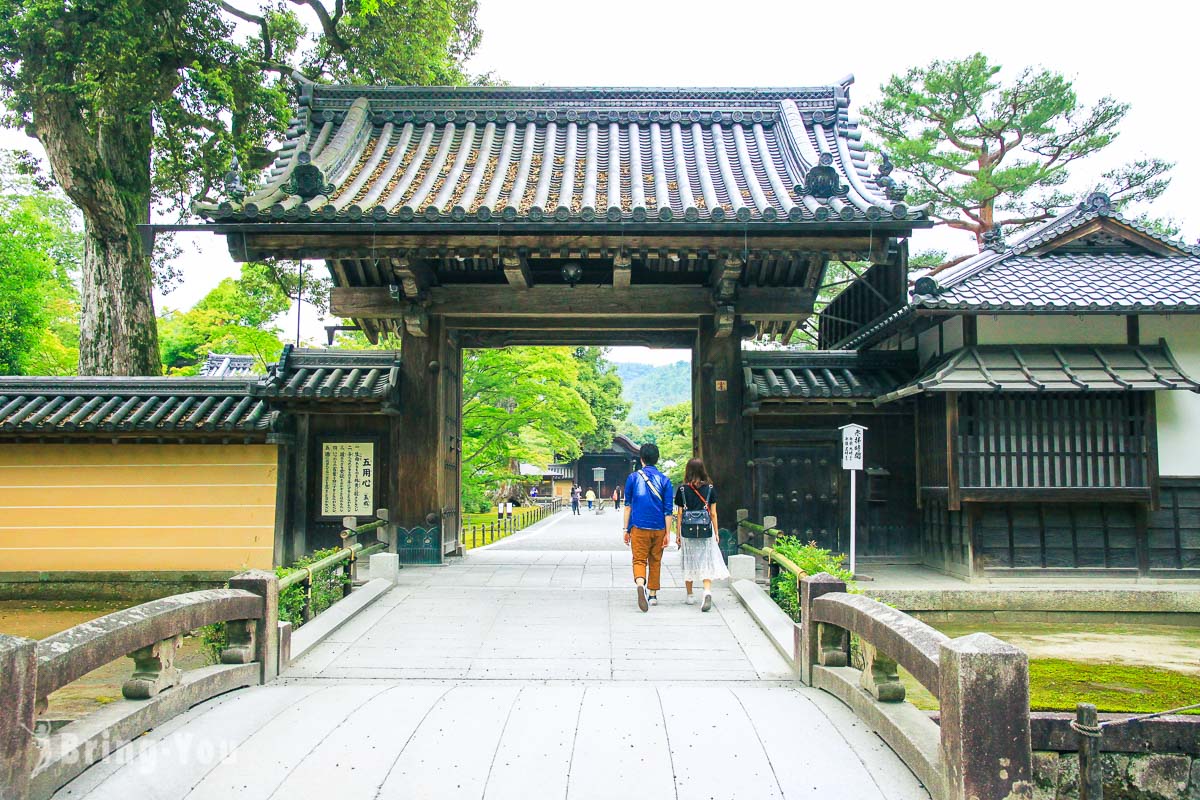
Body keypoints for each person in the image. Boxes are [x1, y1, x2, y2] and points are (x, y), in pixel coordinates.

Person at [622, 443, 673, 612]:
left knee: (639, 559)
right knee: (655, 560)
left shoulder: (633, 478)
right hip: (658, 527)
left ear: (641, 459)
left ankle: (640, 583)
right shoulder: (665, 480)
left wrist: (625, 529)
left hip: (638, 525)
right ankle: (652, 595)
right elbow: (668, 510)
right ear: (657, 459)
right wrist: (667, 533)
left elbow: (628, 506)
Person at [674, 457, 729, 612]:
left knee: (689, 559)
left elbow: (679, 514)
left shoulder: (682, 490)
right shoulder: (710, 488)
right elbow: (713, 513)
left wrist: (677, 534)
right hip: (706, 530)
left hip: (687, 530)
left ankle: (690, 595)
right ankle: (706, 591)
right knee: (706, 560)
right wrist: (716, 532)